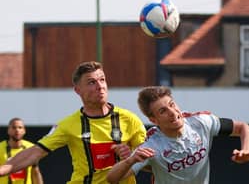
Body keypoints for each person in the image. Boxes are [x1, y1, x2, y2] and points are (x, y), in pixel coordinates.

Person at [0, 61, 147, 184]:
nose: (100, 86)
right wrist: (4, 169)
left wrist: (132, 156)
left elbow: (151, 162)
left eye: (102, 80)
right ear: (77, 90)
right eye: (91, 82)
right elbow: (35, 152)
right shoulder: (68, 124)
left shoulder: (130, 119)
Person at [107, 86, 249, 184]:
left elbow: (243, 127)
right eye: (163, 111)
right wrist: (130, 161)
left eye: (172, 104)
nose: (173, 113)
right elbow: (112, 179)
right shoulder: (152, 145)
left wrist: (247, 150)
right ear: (154, 120)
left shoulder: (201, 122)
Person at [0, 117, 44, 184]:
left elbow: (35, 171)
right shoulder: (0, 148)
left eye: (20, 127)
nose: (17, 130)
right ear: (8, 130)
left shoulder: (31, 148)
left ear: (24, 131)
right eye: (14, 127)